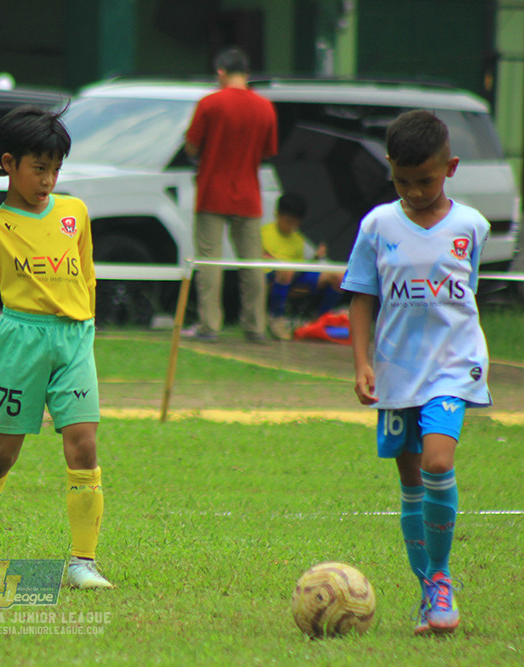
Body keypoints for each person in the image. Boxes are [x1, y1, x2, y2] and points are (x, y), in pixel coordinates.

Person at [0, 105, 112, 590]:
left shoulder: (74, 212)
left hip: (74, 339)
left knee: (84, 446)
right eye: (39, 168)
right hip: (21, 341)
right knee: (1, 455)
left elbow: (88, 272)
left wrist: (88, 325)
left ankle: (82, 562)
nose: (49, 179)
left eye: (56, 168)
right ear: (10, 164)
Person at [342, 109, 491, 635]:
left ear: (449, 167)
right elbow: (362, 295)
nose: (414, 191)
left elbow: (463, 290)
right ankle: (428, 589)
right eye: (402, 181)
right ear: (389, 168)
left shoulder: (471, 226)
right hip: (397, 371)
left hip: (453, 366)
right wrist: (362, 362)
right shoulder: (378, 226)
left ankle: (442, 577)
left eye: (425, 180)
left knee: (436, 460)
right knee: (409, 481)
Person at [182, 46, 277, 343]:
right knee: (252, 262)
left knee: (210, 260)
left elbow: (192, 146)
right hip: (248, 193)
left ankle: (210, 324)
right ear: (247, 74)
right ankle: (255, 326)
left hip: (212, 190)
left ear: (221, 72)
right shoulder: (265, 107)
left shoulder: (210, 104)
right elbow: (268, 151)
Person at [261, 192, 344, 340]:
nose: (291, 226)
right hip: (271, 277)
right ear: (277, 215)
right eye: (288, 221)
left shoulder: (298, 238)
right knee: (287, 270)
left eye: (295, 223)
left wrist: (315, 258)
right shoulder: (264, 233)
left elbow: (301, 267)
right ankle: (276, 318)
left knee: (339, 276)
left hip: (293, 275)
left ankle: (321, 320)